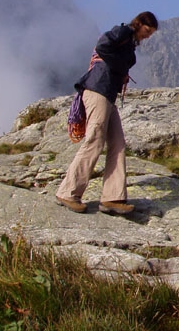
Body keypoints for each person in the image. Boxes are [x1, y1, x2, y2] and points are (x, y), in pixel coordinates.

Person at [56, 11, 158, 215]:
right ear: (138, 24)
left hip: (107, 95)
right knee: (95, 139)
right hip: (98, 90)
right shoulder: (123, 31)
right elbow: (103, 45)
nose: (148, 36)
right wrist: (119, 69)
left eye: (151, 33)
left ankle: (113, 197)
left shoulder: (129, 39)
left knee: (118, 143)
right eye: (147, 31)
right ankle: (68, 191)